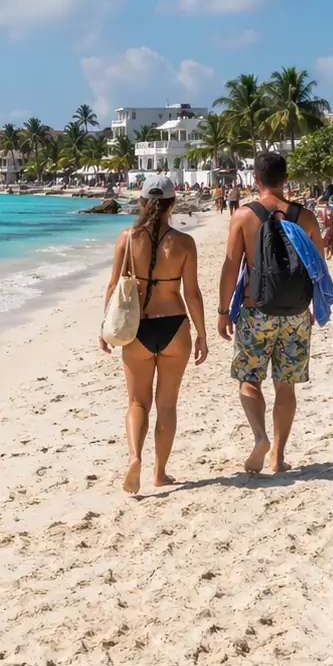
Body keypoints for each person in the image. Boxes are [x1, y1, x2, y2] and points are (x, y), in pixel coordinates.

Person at [216, 151, 327, 475]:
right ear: (285, 179)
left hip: (255, 311)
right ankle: (278, 457)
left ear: (256, 180)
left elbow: (230, 265)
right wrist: (314, 309)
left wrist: (224, 311)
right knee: (285, 386)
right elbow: (318, 265)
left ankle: (260, 437)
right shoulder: (304, 217)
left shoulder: (243, 216)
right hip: (295, 313)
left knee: (249, 380)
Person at [100, 175, 207, 494]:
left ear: (143, 202)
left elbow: (112, 286)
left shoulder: (127, 238)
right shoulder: (185, 243)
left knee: (137, 402)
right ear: (172, 204)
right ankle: (160, 472)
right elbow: (193, 293)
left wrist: (104, 327)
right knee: (168, 404)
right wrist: (201, 333)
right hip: (175, 326)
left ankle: (135, 458)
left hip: (137, 329)